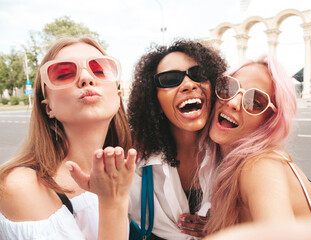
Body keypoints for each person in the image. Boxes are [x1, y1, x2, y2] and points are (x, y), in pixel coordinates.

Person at [0, 36, 136, 240]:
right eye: (63, 74)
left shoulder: (123, 168)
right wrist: (112, 202)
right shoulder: (22, 185)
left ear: (118, 96)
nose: (86, 78)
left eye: (100, 69)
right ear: (48, 107)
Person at [178, 55, 311, 235]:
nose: (233, 103)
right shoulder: (232, 164)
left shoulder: (259, 166)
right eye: (229, 87)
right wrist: (221, 227)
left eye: (254, 102)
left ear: (270, 119)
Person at [127, 39, 227, 239]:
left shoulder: (234, 157)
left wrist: (228, 223)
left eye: (198, 75)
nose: (189, 84)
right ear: (153, 99)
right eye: (170, 79)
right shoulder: (136, 164)